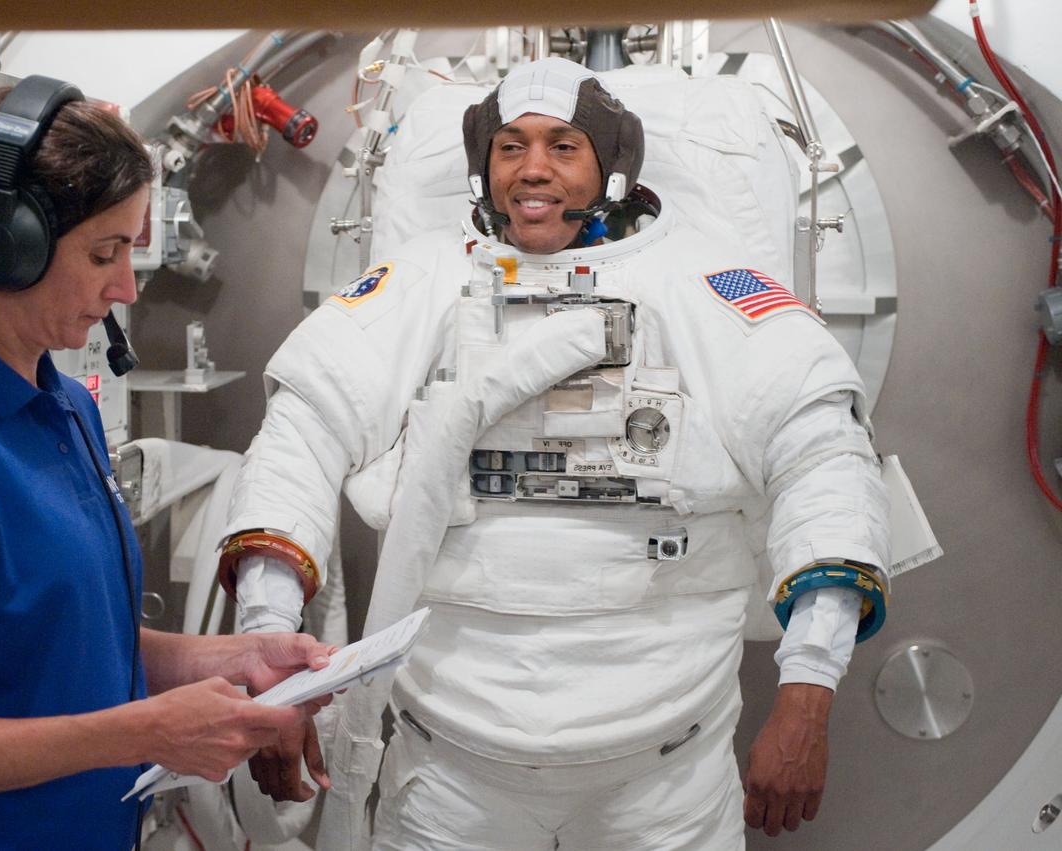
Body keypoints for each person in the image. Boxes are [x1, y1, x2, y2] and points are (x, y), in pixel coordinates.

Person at [215, 58, 891, 849]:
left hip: (663, 781)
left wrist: (808, 693)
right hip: (453, 780)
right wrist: (271, 655)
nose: (532, 168)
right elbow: (301, 432)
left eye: (563, 146)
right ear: (483, 166)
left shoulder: (703, 284)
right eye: (510, 146)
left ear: (611, 168)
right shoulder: (421, 280)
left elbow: (825, 459)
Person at [0, 76, 332, 850]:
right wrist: (140, 733)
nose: (124, 286)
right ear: (3, 247)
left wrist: (230, 656)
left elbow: (65, 645)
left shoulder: (65, 407)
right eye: (104, 252)